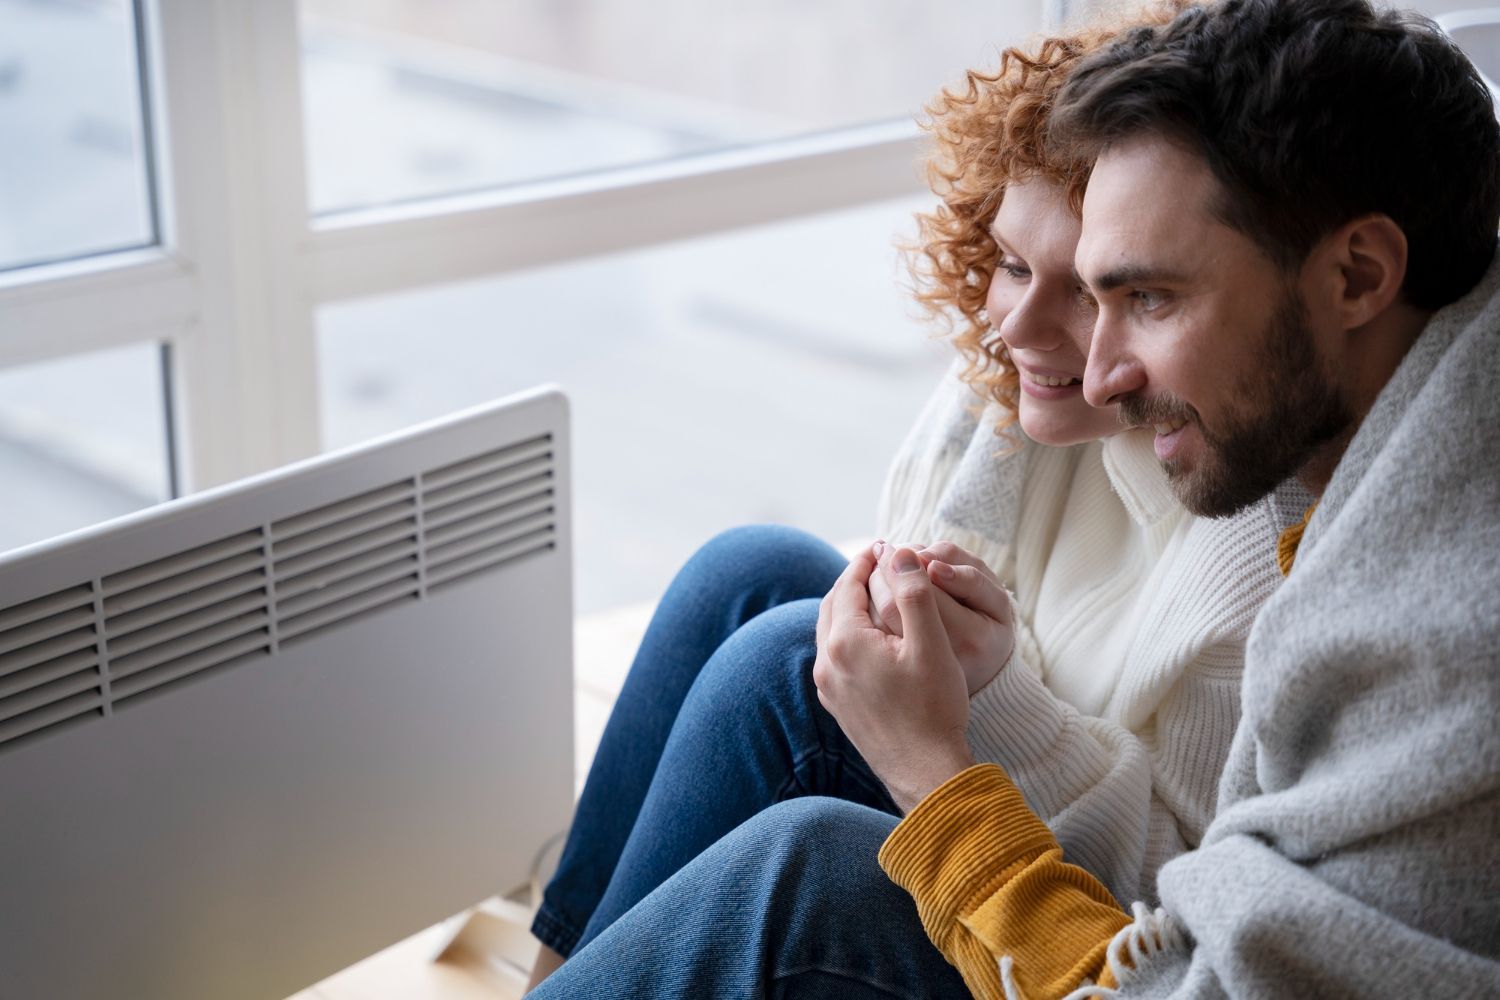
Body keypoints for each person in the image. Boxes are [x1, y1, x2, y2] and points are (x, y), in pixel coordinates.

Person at [528, 0, 1500, 995]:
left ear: (1359, 275)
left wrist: (936, 768)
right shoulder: (1383, 434)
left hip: (1127, 920)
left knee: (805, 859)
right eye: (1084, 288)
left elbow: (1183, 953)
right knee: (759, 582)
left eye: (1147, 298)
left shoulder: (1433, 636)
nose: (1106, 375)